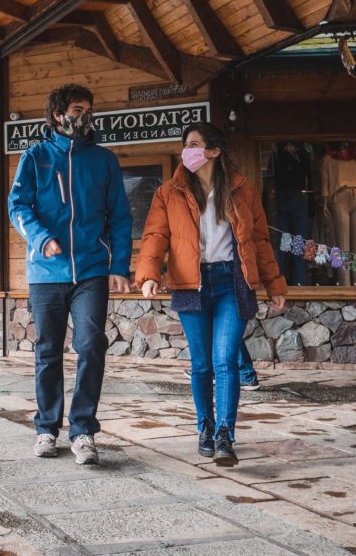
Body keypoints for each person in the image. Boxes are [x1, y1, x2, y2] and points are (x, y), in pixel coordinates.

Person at [136, 122, 285, 466]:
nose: (187, 150)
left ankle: (224, 436)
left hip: (231, 281)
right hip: (191, 283)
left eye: (194, 144)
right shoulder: (169, 192)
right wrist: (148, 275)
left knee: (226, 361)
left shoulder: (241, 189)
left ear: (214, 151)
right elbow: (155, 235)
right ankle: (204, 428)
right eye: (185, 144)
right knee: (202, 364)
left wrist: (275, 283)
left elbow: (260, 239)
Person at [9, 84, 132, 464]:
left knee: (92, 344)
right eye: (78, 109)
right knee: (48, 350)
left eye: (88, 109)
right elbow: (17, 206)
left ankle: (83, 432)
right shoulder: (35, 157)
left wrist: (118, 266)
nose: (85, 116)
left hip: (92, 269)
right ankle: (46, 428)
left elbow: (121, 217)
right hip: (46, 272)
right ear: (58, 114)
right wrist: (42, 238)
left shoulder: (104, 160)